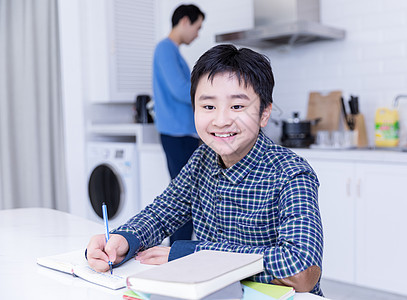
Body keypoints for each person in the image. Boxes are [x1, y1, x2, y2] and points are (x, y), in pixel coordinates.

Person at [87, 44, 324, 295]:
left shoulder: (291, 173)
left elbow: (301, 269)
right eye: (208, 107)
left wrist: (192, 254)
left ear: (264, 113)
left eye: (237, 107)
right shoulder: (202, 158)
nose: (221, 120)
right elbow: (161, 214)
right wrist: (123, 240)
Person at [152, 4, 205, 245]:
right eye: (197, 27)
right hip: (177, 135)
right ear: (185, 21)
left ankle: (177, 254)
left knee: (187, 197)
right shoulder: (165, 49)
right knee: (186, 199)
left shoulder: (172, 51)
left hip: (182, 134)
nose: (197, 33)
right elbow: (180, 90)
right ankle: (176, 256)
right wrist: (208, 92)